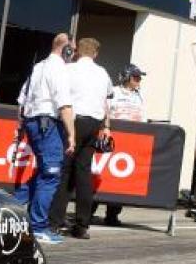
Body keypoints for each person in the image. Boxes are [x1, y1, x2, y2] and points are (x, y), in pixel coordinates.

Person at [50, 37, 112, 239]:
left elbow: (58, 95)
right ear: (95, 53)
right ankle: (82, 224)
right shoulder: (103, 73)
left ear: (77, 52)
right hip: (94, 123)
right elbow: (105, 102)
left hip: (74, 121)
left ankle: (55, 221)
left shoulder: (69, 69)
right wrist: (106, 126)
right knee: (84, 173)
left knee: (65, 170)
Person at [16, 34, 76, 244]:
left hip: (34, 123)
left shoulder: (39, 66)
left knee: (43, 173)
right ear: (66, 49)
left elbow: (21, 100)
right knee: (51, 175)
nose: (73, 54)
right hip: (48, 124)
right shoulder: (58, 69)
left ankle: (10, 207)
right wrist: (72, 135)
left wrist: (21, 126)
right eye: (72, 50)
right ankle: (38, 227)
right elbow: (64, 105)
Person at [100, 64, 147, 227]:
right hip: (111, 139)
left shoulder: (139, 96)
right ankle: (89, 210)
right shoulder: (113, 91)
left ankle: (112, 214)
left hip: (129, 143)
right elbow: (104, 111)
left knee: (120, 178)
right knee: (101, 173)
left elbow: (142, 116)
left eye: (139, 77)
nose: (139, 80)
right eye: (136, 77)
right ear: (126, 77)